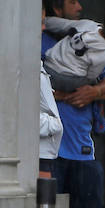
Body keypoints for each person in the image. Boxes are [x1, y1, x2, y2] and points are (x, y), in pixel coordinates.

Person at [41, 0, 105, 208]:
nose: (80, 7)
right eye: (72, 1)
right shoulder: (43, 45)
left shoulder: (91, 43)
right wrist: (65, 95)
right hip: (49, 151)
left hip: (82, 152)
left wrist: (94, 92)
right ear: (57, 8)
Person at [41, 8, 105, 92]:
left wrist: (44, 21)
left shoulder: (87, 24)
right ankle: (62, 95)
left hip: (48, 64)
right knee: (94, 81)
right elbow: (91, 76)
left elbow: (61, 25)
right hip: (65, 79)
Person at [38, 10, 64, 179]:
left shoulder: (38, 63)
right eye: (39, 22)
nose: (43, 27)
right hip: (37, 153)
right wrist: (55, 125)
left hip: (46, 152)